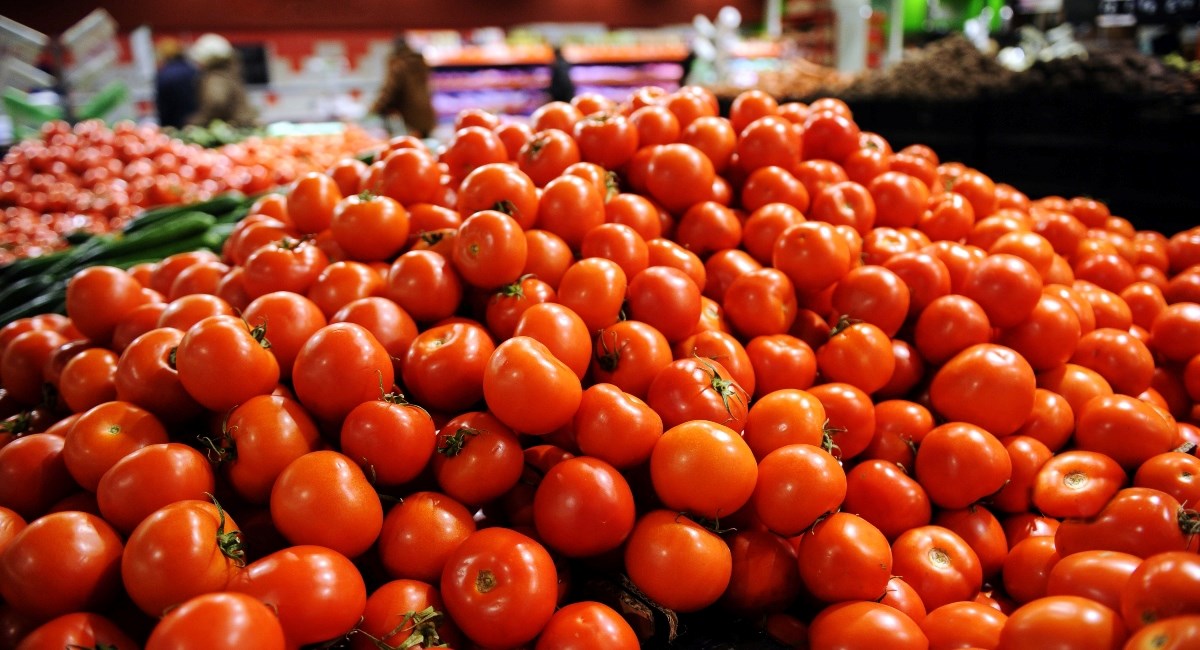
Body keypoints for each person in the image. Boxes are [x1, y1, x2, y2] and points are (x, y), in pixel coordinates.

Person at [188, 33, 257, 127]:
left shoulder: (215, 77)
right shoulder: (230, 72)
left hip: (233, 128)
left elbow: (216, 102)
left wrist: (199, 120)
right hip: (244, 125)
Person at [372, 37, 436, 138]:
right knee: (423, 144)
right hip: (426, 115)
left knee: (412, 143)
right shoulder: (419, 62)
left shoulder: (399, 65)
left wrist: (374, 110)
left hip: (410, 118)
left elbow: (389, 91)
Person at [154, 38, 198, 129]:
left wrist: (164, 125)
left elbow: (163, 105)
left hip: (174, 122)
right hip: (195, 120)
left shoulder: (164, 74)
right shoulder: (193, 69)